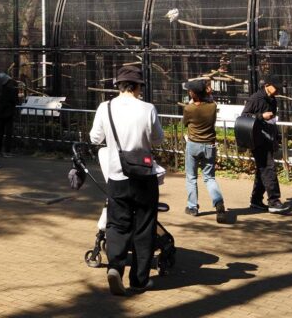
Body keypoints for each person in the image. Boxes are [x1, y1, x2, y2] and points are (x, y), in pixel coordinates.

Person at [89, 65, 164, 296]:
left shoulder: (105, 107)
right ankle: (139, 280)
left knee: (117, 224)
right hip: (144, 176)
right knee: (144, 227)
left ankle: (115, 268)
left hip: (116, 176)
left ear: (119, 86)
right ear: (138, 86)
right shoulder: (148, 108)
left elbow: (95, 137)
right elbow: (158, 139)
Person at [242, 77, 291, 214]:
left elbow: (273, 120)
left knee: (262, 170)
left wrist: (276, 137)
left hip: (268, 138)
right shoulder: (255, 99)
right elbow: (244, 116)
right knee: (268, 168)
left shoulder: (272, 100)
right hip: (257, 140)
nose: (278, 90)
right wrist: (261, 116)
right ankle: (274, 200)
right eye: (276, 87)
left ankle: (256, 200)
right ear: (267, 85)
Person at [182, 78, 227, 223]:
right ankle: (218, 201)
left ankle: (192, 207)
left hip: (193, 144)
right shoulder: (212, 106)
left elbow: (185, 123)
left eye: (190, 91)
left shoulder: (189, 108)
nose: (188, 92)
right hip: (209, 145)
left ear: (194, 93)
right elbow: (209, 100)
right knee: (209, 178)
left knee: (191, 177)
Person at [0, 73, 19, 158]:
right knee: (8, 132)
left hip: (0, 112)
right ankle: (7, 151)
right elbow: (16, 100)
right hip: (9, 113)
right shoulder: (11, 90)